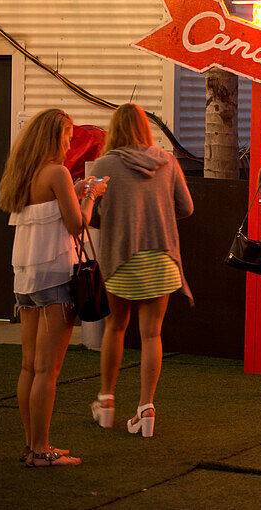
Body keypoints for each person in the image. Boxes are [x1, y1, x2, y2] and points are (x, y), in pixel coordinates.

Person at [0, 108, 107, 467]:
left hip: (25, 278)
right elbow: (77, 224)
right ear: (53, 137)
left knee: (29, 367)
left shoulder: (22, 173)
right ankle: (43, 450)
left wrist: (74, 192)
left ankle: (32, 446)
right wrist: (91, 195)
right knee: (48, 370)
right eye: (67, 135)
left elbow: (46, 210)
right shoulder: (58, 172)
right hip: (57, 276)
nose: (70, 142)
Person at [88, 104, 194, 438]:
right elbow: (187, 207)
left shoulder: (103, 165)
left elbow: (92, 214)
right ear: (146, 128)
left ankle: (106, 401)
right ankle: (145, 408)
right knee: (152, 334)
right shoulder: (167, 161)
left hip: (120, 258)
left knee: (116, 327)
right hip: (160, 258)